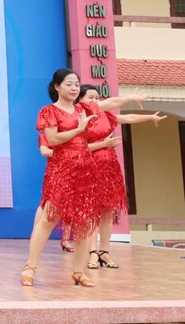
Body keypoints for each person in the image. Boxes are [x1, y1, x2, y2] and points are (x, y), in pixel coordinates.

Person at [21, 68, 100, 287]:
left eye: (77, 84)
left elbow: (107, 106)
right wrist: (79, 129)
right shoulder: (49, 111)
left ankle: (79, 272)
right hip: (61, 169)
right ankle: (30, 266)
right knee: (49, 218)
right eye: (69, 84)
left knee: (84, 221)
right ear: (57, 86)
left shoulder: (83, 108)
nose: (74, 88)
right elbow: (53, 139)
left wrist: (130, 100)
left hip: (85, 169)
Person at [78, 85, 162, 271]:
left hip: (109, 167)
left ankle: (104, 251)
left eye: (97, 97)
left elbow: (127, 118)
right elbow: (111, 102)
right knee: (92, 211)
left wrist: (150, 117)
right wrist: (130, 97)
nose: (95, 101)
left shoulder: (105, 115)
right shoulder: (80, 116)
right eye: (90, 97)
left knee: (108, 210)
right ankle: (92, 252)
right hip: (89, 167)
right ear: (80, 100)